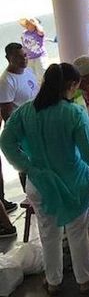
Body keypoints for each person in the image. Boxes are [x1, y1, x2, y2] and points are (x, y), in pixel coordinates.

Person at [0, 63, 89, 294]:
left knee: (48, 234)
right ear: (70, 85)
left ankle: (53, 281)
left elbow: (6, 142)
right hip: (73, 183)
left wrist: (27, 165)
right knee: (77, 234)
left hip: (39, 184)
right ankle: (84, 279)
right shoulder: (73, 113)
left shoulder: (26, 111)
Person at [0, 43, 39, 214]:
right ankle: (32, 201)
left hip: (36, 126)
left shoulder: (29, 72)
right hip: (21, 132)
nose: (23, 59)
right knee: (26, 167)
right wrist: (20, 136)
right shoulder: (6, 81)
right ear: (8, 58)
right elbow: (7, 114)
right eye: (17, 57)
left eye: (24, 55)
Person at [18, 17, 47, 83]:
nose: (28, 25)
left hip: (39, 57)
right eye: (27, 24)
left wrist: (36, 23)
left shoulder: (38, 32)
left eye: (30, 24)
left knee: (41, 76)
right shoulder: (24, 33)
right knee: (31, 77)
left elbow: (41, 31)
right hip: (29, 58)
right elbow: (24, 45)